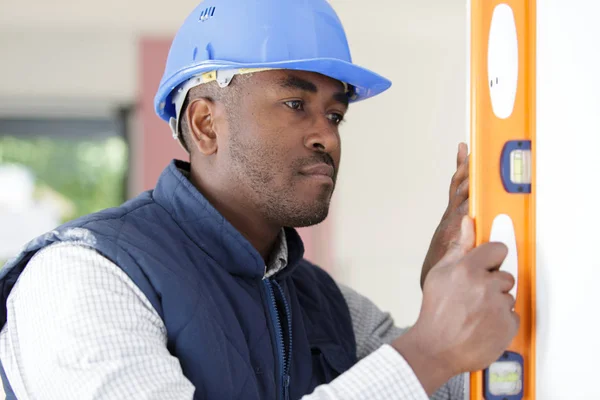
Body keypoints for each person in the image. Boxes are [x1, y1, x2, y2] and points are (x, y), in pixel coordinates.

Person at [0, 0, 518, 399]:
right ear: (206, 123)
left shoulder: (325, 302)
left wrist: (447, 298)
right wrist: (424, 351)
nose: (327, 137)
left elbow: (451, 387)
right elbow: (416, 366)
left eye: (335, 115)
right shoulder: (83, 277)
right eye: (296, 104)